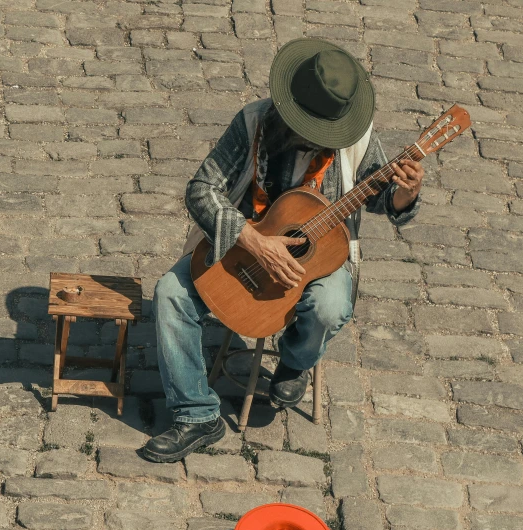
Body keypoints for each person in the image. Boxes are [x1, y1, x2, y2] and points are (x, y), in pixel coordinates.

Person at [143, 38, 424, 463]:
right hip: (241, 247)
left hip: (321, 260)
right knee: (170, 293)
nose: (312, 141)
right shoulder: (254, 121)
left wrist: (405, 194)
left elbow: (383, 201)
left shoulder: (358, 140)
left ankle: (295, 361)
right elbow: (201, 190)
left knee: (329, 306)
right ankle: (196, 413)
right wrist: (254, 240)